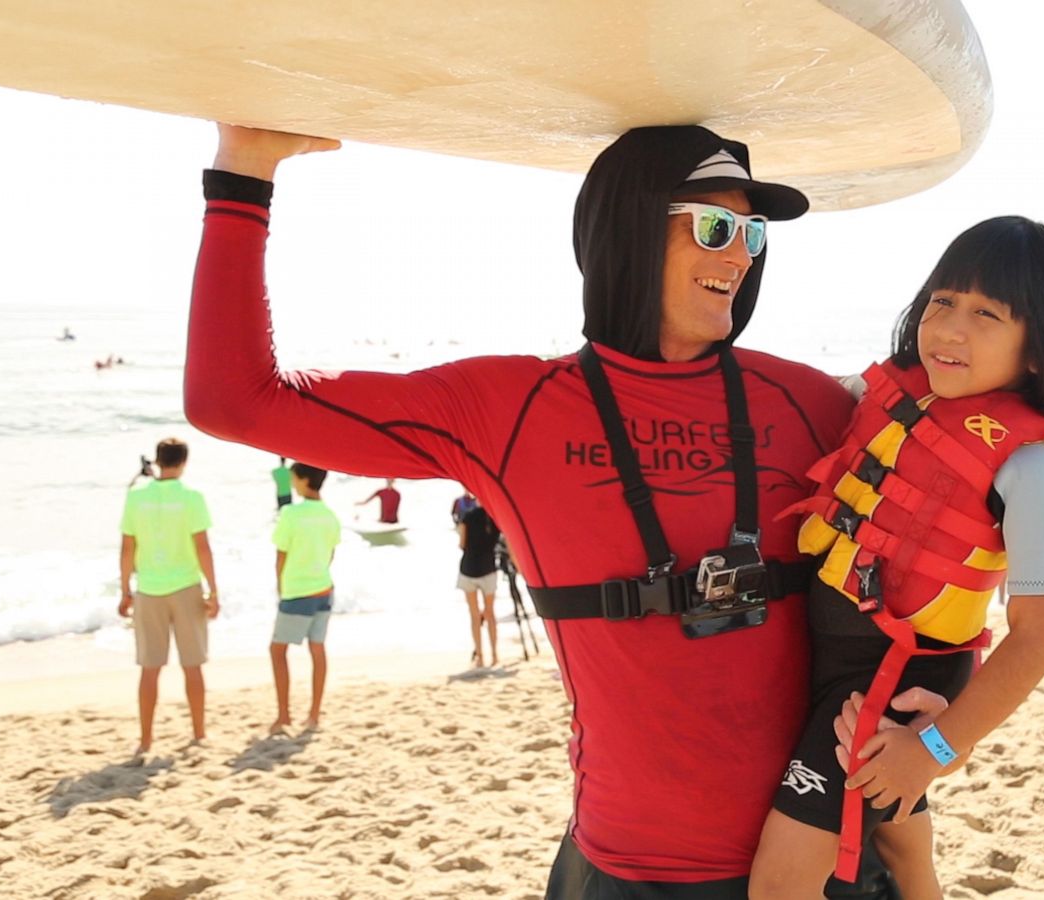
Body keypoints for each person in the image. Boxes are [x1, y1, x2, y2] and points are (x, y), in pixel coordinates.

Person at [184, 122, 942, 896]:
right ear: (630, 231)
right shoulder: (508, 411)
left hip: (823, 860)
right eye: (716, 227)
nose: (742, 253)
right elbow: (234, 400)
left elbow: (966, 504)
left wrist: (946, 723)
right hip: (625, 873)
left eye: (751, 232)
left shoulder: (809, 403)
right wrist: (245, 171)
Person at [749, 216, 1044, 897]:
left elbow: (1037, 641)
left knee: (778, 883)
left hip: (891, 680)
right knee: (900, 839)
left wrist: (935, 747)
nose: (949, 327)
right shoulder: (897, 400)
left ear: (1041, 348)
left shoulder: (1028, 467)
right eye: (942, 301)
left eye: (986, 314)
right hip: (841, 657)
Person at [117, 437, 219, 753]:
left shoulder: (136, 496)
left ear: (158, 462)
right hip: (186, 587)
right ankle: (199, 734)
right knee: (193, 666)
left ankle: (146, 739)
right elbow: (202, 547)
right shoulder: (192, 496)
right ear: (184, 462)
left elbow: (127, 548)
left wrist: (125, 591)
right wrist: (213, 590)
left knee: (150, 669)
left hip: (148, 588)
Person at [269, 462, 342, 731]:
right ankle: (313, 714)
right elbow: (331, 554)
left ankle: (284, 715)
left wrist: (280, 587)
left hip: (298, 591)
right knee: (317, 648)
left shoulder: (291, 514)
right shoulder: (330, 515)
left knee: (277, 651)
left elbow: (281, 556)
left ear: (303, 480)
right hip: (324, 588)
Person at [454, 492, 503, 667]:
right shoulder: (496, 518)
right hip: (488, 570)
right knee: (490, 614)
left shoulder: (468, 516)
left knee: (475, 616)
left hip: (468, 570)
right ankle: (495, 655)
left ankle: (480, 656)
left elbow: (462, 544)